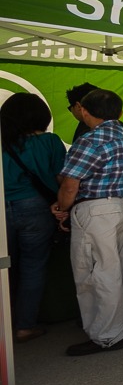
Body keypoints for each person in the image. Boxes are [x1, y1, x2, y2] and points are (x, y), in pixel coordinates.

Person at [52, 89, 123, 355]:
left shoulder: (89, 141)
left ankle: (107, 335)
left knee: (97, 273)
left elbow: (70, 185)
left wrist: (61, 208)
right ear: (121, 112)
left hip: (96, 210)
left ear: (83, 111)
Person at [1, 93, 66, 343]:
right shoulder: (50, 142)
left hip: (1, 209)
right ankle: (25, 326)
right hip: (37, 209)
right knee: (33, 267)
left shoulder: (3, 142)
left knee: (3, 268)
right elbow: (61, 178)